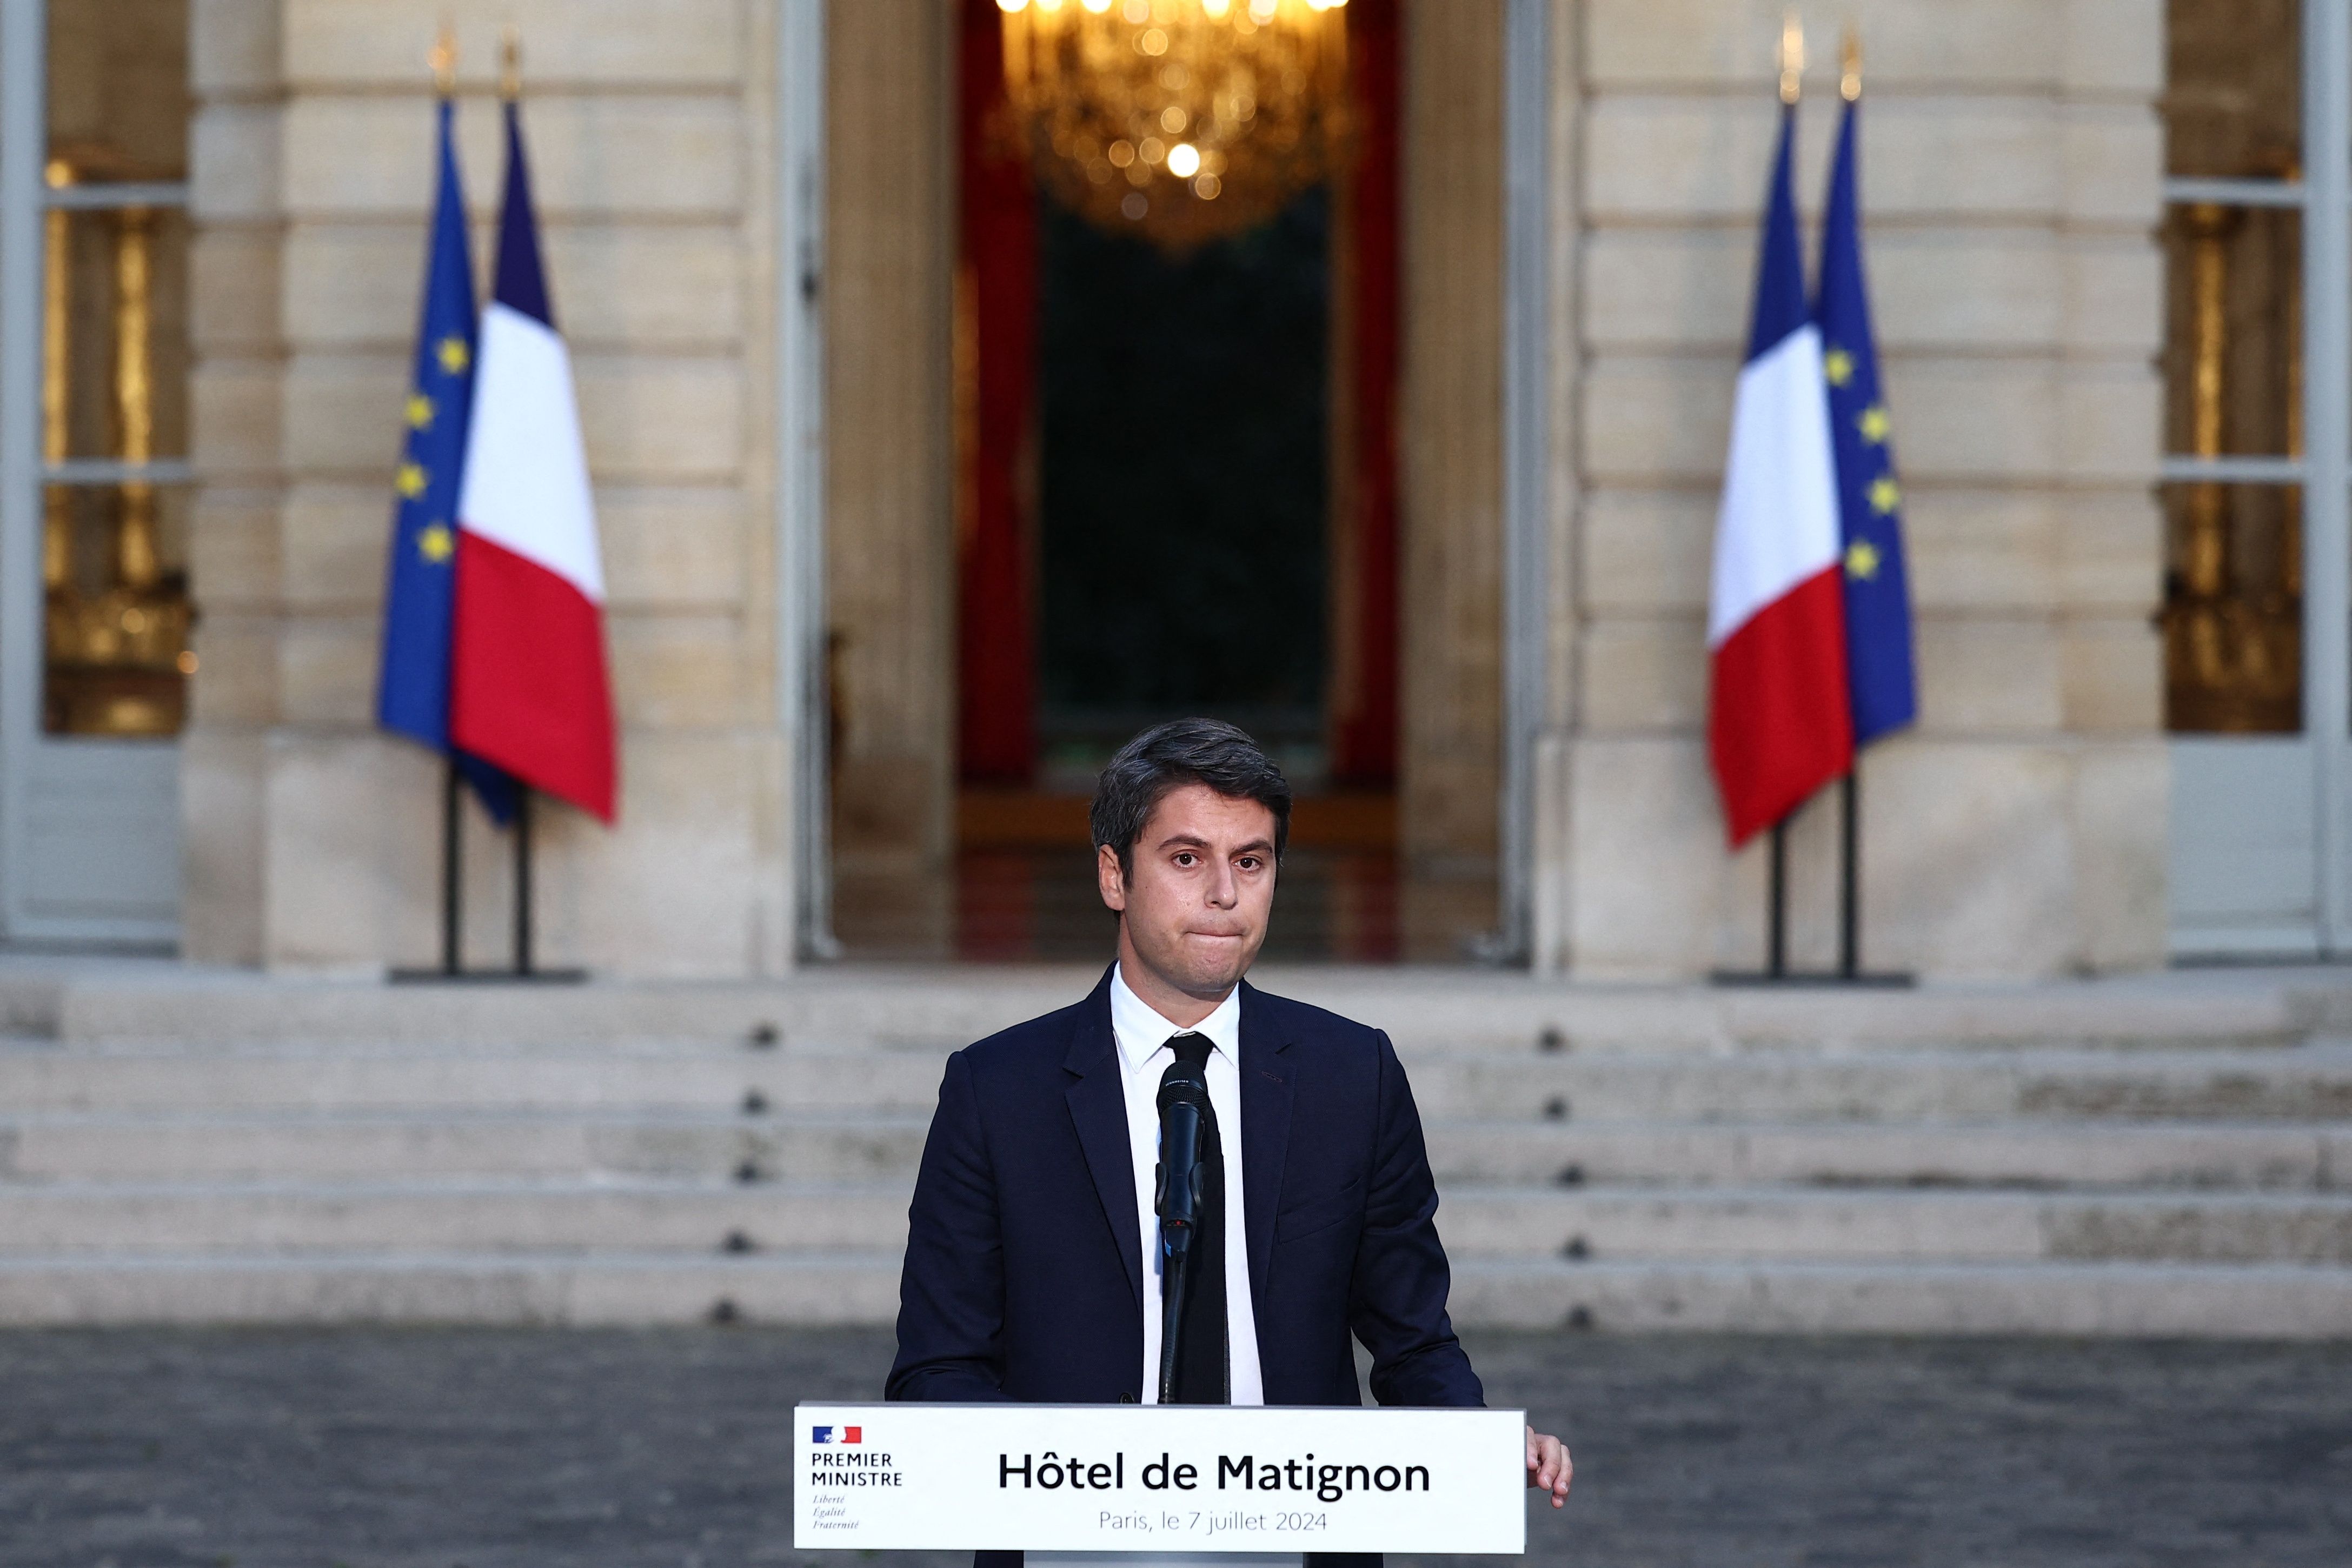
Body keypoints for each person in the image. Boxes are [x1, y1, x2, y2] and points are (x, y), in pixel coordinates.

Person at [887, 719, 1571, 1565]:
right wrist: (1071, 1486)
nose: (1224, 894)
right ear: (1113, 875)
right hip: (1070, 1539)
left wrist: (1472, 1446)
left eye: (1249, 862)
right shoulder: (997, 1089)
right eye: (1185, 859)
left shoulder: (1351, 1074)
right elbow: (938, 1367)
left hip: (1297, 1533)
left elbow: (1411, 1336)